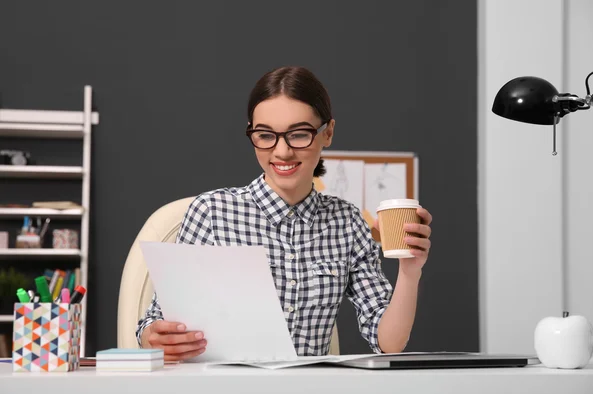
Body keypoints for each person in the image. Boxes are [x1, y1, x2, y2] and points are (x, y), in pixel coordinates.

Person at [136, 66, 433, 362]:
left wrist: (410, 271)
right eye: (265, 135)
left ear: (327, 133)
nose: (282, 152)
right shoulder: (211, 213)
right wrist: (154, 337)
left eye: (299, 134)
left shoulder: (346, 223)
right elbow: (154, 322)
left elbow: (388, 343)